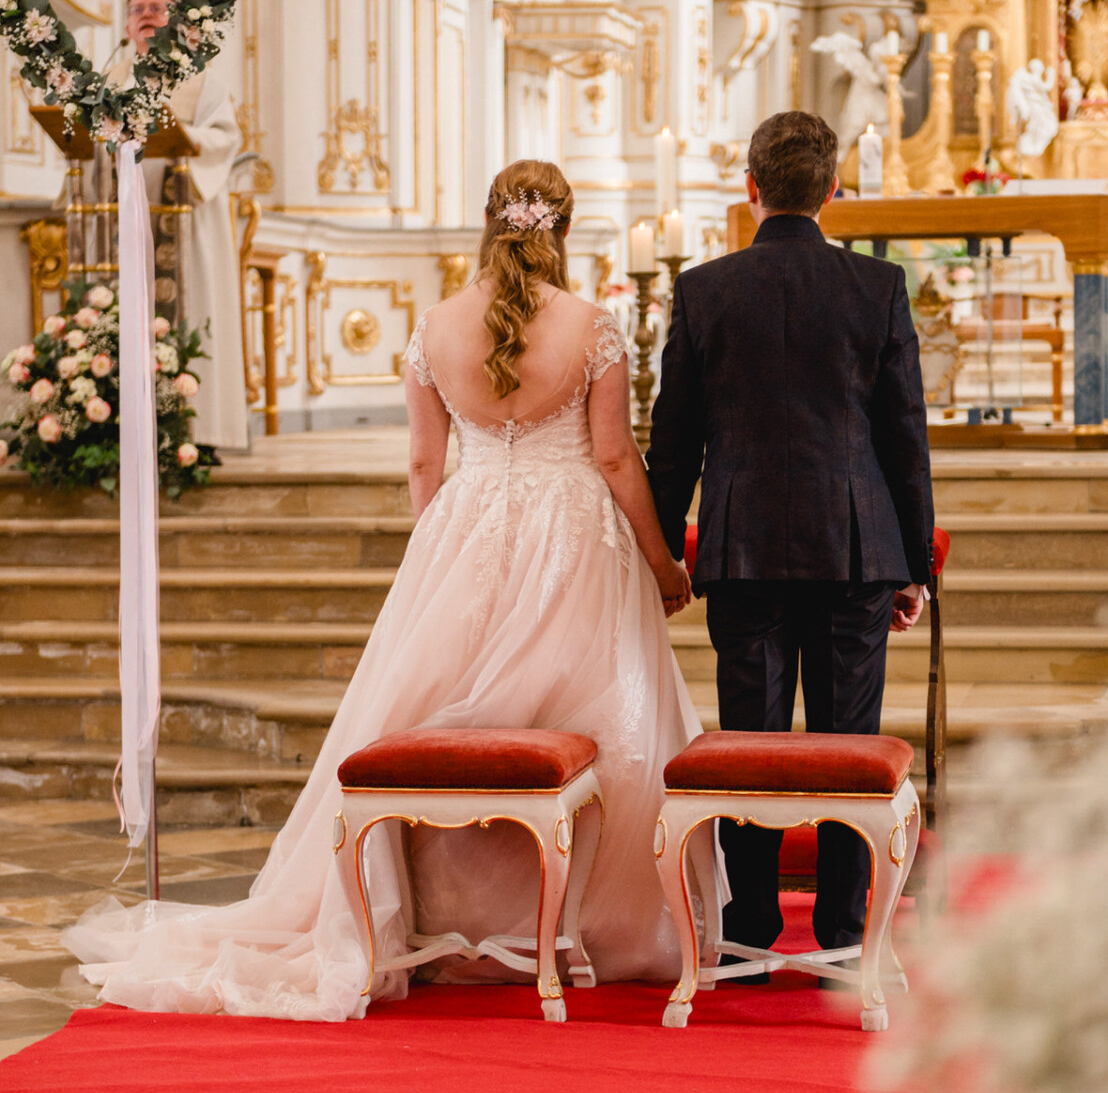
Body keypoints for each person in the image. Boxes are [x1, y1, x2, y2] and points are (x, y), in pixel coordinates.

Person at [65, 160, 699, 1019]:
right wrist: (663, 565)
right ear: (564, 227)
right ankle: (593, 929)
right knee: (596, 722)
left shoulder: (435, 325)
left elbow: (421, 463)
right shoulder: (593, 325)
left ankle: (445, 924)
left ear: (490, 222)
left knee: (442, 722)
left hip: (466, 527)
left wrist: (443, 556)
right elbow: (618, 458)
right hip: (577, 538)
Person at [646, 111, 934, 966]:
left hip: (742, 551)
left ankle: (750, 931)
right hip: (855, 550)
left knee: (752, 748)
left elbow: (675, 439)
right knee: (848, 747)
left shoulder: (703, 289)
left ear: (751, 187)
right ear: (833, 191)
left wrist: (665, 552)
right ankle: (846, 935)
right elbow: (903, 437)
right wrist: (914, 565)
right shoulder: (876, 287)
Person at [110, 0, 248, 451]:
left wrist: (179, 134)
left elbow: (226, 137)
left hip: (185, 222)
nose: (146, 14)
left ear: (176, 22)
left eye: (157, 8)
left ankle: (195, 431)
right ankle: (119, 430)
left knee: (193, 312)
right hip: (123, 221)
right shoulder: (109, 79)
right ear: (128, 24)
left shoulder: (202, 78)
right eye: (137, 9)